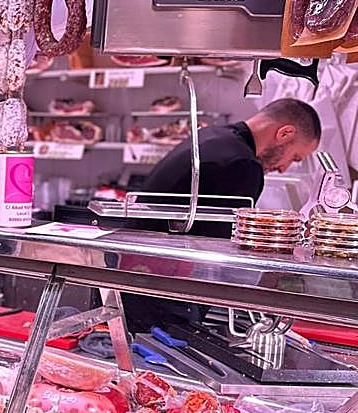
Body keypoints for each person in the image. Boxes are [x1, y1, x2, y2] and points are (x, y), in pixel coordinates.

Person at [123, 97, 321, 329]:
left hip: (138, 277)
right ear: (285, 133)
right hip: (162, 295)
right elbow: (219, 253)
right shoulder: (242, 165)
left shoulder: (213, 136)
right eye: (294, 158)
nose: (284, 168)